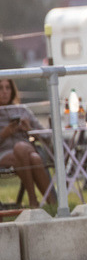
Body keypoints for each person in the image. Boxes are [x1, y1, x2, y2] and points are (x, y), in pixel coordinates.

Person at [0, 78, 52, 207]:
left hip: (25, 151)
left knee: (25, 151)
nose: (5, 92)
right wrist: (4, 134)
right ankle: (50, 203)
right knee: (33, 158)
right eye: (0, 88)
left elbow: (46, 136)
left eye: (8, 88)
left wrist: (30, 130)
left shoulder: (23, 110)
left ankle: (36, 202)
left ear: (13, 90)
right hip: (4, 154)